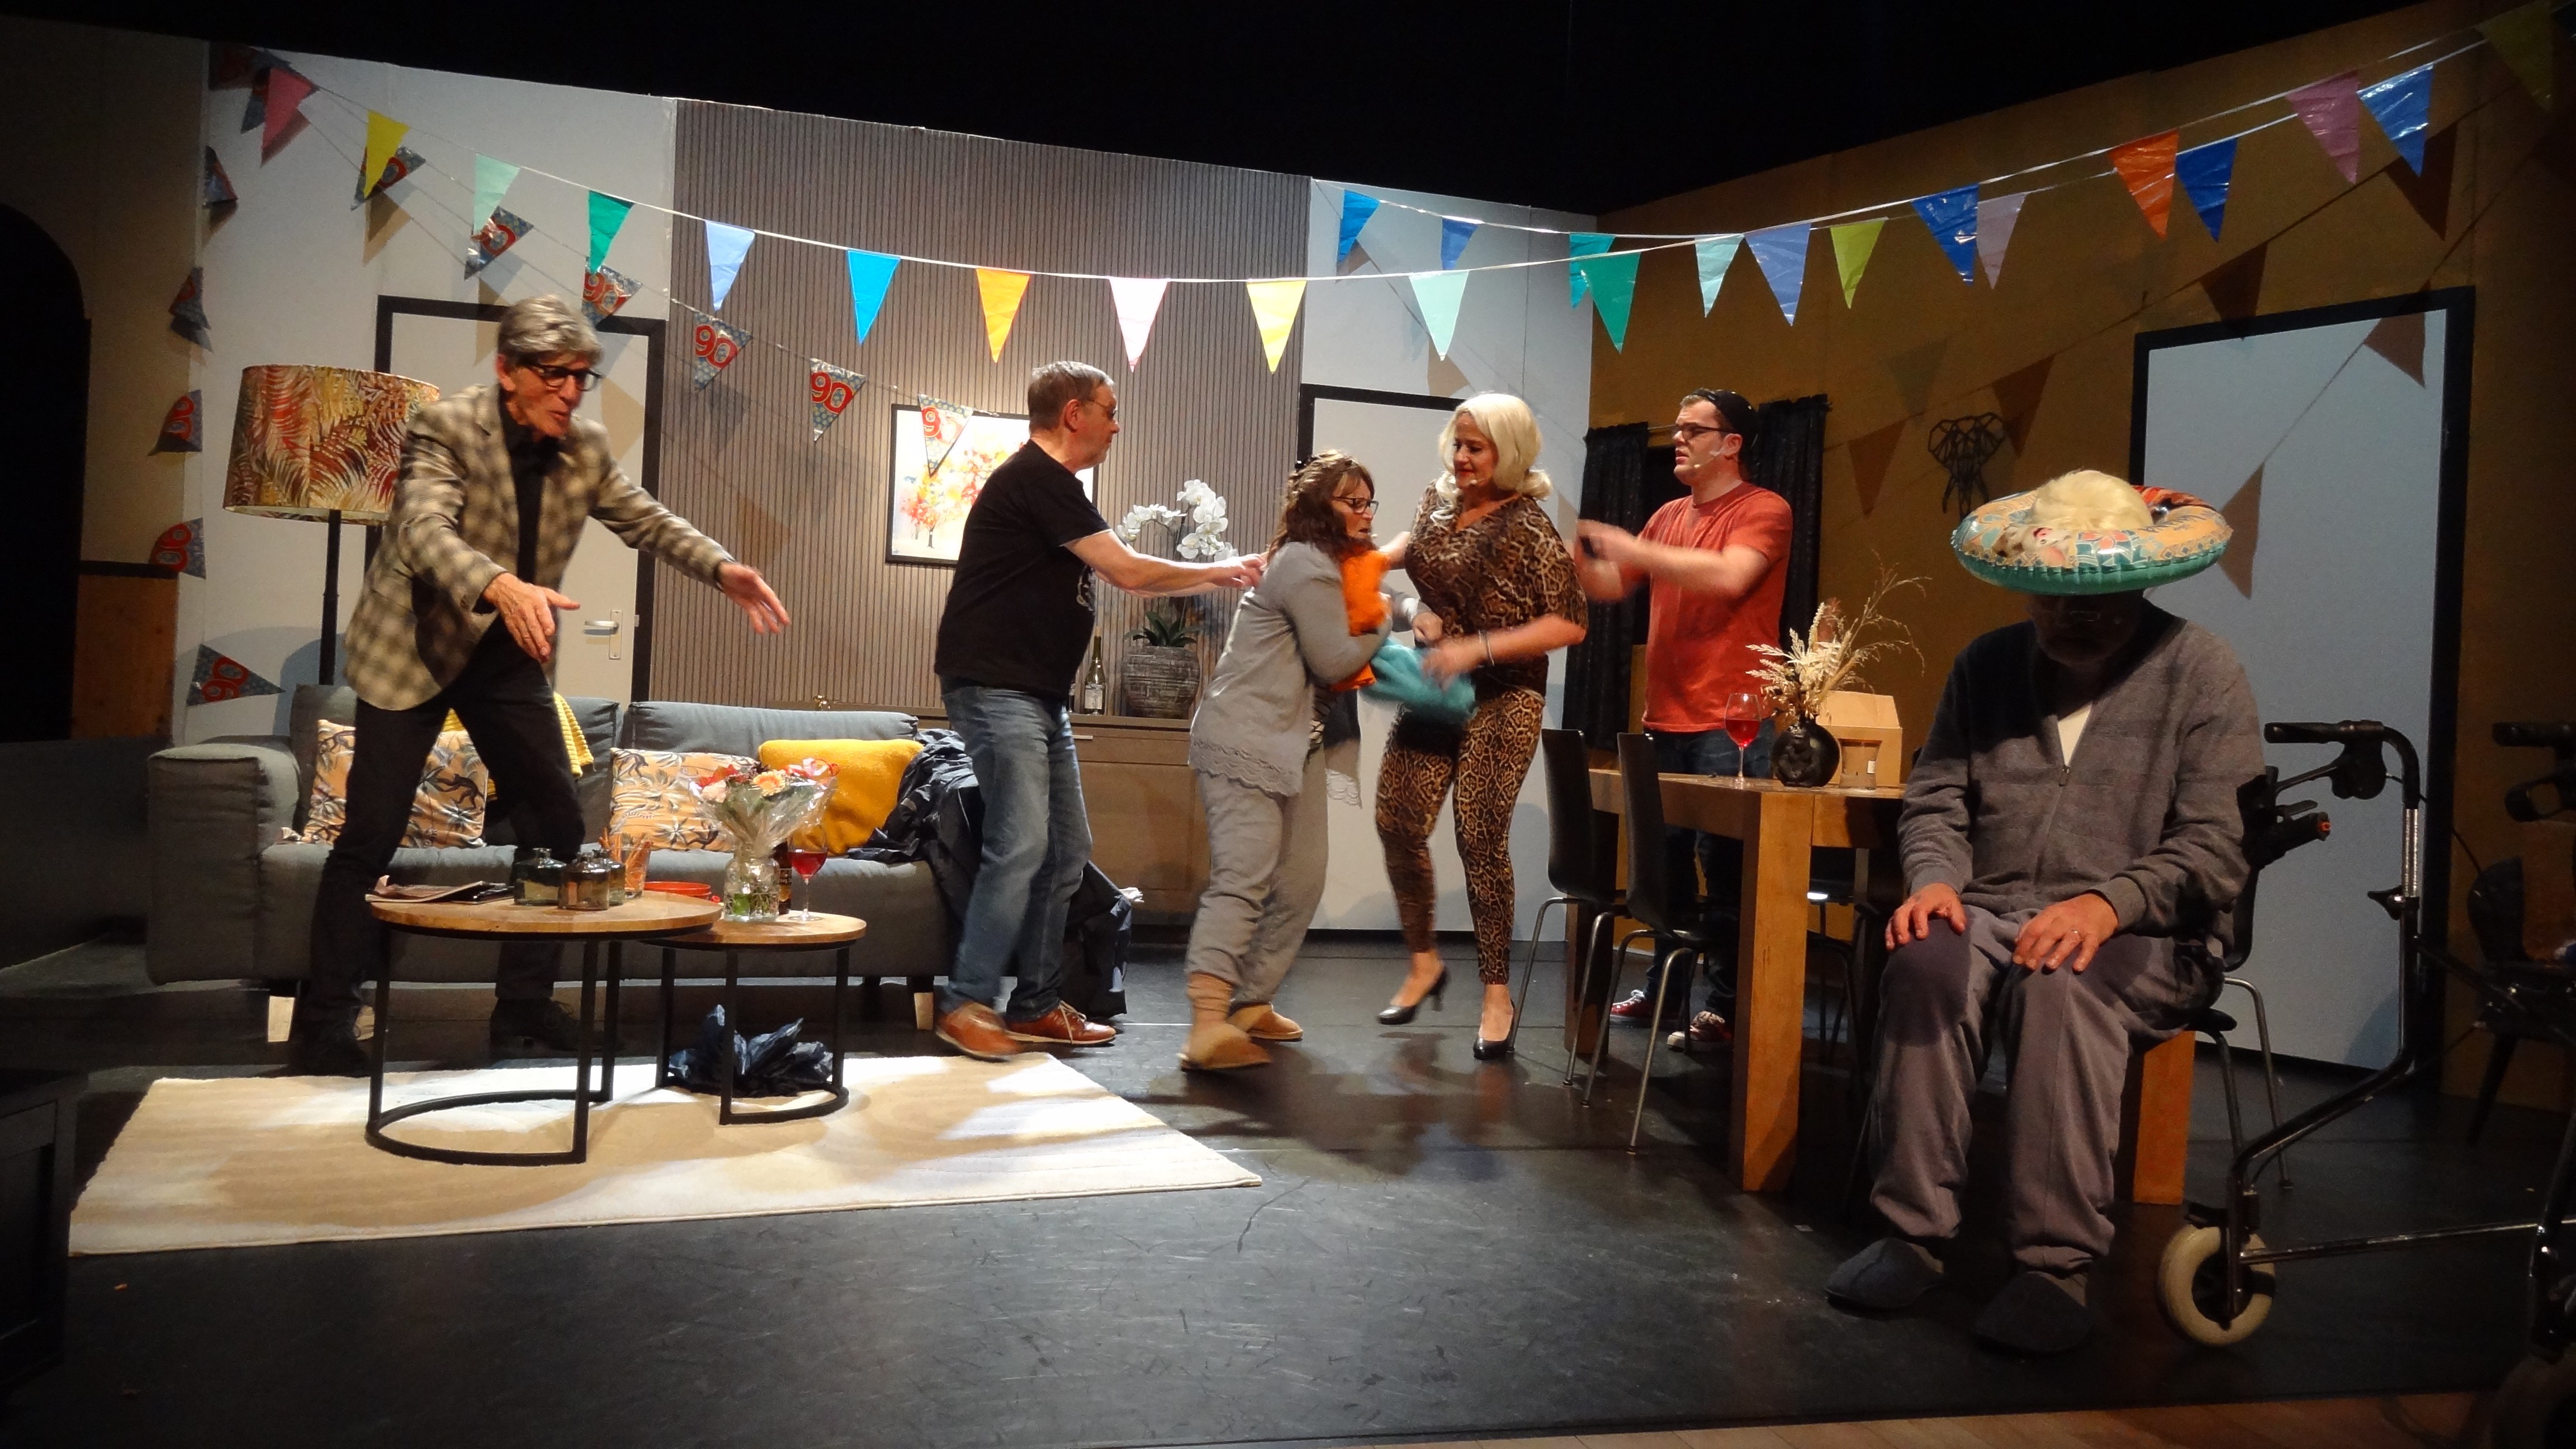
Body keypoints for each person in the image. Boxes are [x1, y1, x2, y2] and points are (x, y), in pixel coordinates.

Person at [288, 295, 790, 1076]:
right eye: (553, 374)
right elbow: (421, 531)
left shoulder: (584, 446)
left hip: (506, 657)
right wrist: (499, 584)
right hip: (414, 646)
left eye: (581, 376)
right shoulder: (447, 426)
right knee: (371, 834)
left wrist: (720, 567)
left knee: (558, 827)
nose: (569, 391)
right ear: (508, 370)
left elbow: (645, 518)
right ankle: (322, 1025)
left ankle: (523, 1007)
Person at [1824, 470, 2261, 1356]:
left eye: (2097, 597)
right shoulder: (1987, 665)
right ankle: (1912, 1229)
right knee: (1925, 961)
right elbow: (1938, 799)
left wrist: (2109, 903)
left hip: (2149, 933)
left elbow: (2218, 845)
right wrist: (1934, 881)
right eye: (2056, 595)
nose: (2075, 615)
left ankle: (2054, 1264)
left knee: (2061, 983)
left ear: (2140, 583)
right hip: (1991, 909)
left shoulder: (2201, 670)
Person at [931, 361, 1263, 1062]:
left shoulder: (1057, 489)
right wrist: (1225, 569)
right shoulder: (1037, 478)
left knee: (1067, 851)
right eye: (1109, 411)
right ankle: (964, 1003)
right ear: (1074, 414)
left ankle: (1035, 1005)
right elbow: (1130, 571)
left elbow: (1124, 577)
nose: (1117, 425)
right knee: (1022, 844)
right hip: (996, 688)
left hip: (1037, 696)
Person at [1177, 453, 1438, 1069]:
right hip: (1245, 739)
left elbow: (1374, 591)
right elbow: (1335, 658)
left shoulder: (1336, 564)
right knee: (1243, 879)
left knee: (1301, 880)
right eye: (1353, 502)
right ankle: (1207, 1025)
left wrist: (1411, 612)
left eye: (1369, 502)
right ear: (1321, 507)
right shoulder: (1301, 562)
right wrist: (1386, 623)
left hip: (1299, 743)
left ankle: (1251, 1003)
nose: (1366, 514)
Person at [1573, 387, 1793, 1043]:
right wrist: (1571, 557)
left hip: (1732, 721)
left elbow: (1728, 576)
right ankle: (1666, 991)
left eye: (1693, 429)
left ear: (1732, 444)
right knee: (1661, 869)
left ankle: (1726, 1006)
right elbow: (1614, 585)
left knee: (1726, 869)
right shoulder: (1667, 515)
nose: (1678, 438)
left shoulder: (1765, 509)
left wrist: (1632, 550)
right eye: (1678, 428)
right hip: (1665, 718)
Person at [1376, 394, 1588, 1059]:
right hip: (1439, 685)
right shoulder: (1437, 502)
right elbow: (1414, 550)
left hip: (1505, 694)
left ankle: (1497, 992)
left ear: (1510, 452)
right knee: (1397, 818)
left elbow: (1570, 622)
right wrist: (1380, 572)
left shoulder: (1529, 526)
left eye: (1477, 448)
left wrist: (1479, 648)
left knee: (1479, 835)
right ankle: (1423, 962)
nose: (1462, 457)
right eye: (1458, 444)